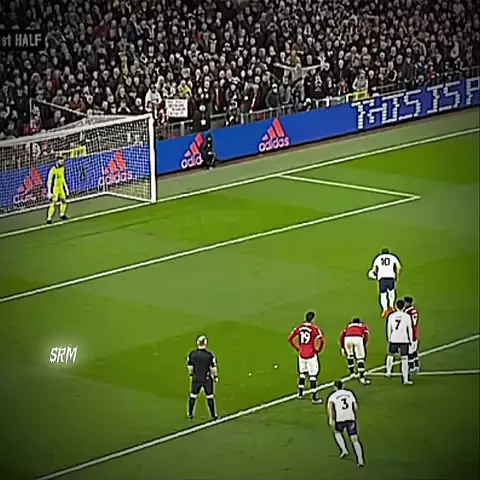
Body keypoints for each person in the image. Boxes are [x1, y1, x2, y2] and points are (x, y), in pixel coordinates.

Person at [288, 311, 325, 404]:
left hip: (302, 354)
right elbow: (321, 339)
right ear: (313, 319)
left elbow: (290, 338)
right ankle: (314, 397)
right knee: (313, 376)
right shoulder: (315, 328)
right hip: (311, 354)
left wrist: (297, 347)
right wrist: (318, 350)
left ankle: (300, 393)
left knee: (302, 374)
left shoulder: (300, 327)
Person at [327, 380, 365, 467]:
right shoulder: (349, 393)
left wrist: (331, 419)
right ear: (343, 386)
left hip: (340, 418)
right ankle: (360, 460)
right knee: (355, 439)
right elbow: (355, 406)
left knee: (337, 432)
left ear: (335, 387)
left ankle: (344, 449)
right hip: (350, 418)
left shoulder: (333, 396)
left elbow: (330, 407)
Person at [187, 335, 218, 420]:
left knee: (193, 395)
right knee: (210, 396)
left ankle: (190, 414)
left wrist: (191, 375)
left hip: (196, 378)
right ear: (205, 343)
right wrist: (215, 376)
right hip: (206, 378)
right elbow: (213, 368)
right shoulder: (209, 355)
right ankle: (213, 415)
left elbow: (190, 367)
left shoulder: (192, 354)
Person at [385, 299, 413, 385]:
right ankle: (405, 379)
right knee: (404, 359)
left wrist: (389, 338)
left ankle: (388, 372)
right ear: (404, 307)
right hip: (404, 339)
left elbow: (389, 328)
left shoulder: (391, 316)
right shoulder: (407, 316)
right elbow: (410, 329)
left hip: (394, 338)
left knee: (390, 355)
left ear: (396, 306)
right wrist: (411, 339)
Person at [368, 247, 402, 317]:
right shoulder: (393, 257)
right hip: (391, 277)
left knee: (383, 295)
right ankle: (392, 306)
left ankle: (385, 310)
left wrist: (376, 276)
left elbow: (374, 269)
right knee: (392, 293)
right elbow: (398, 267)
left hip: (382, 278)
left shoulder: (378, 258)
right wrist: (397, 276)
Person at [340, 318, 371, 385]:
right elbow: (366, 335)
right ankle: (362, 378)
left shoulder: (349, 326)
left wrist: (342, 347)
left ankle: (352, 374)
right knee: (360, 359)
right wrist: (364, 345)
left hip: (347, 339)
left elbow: (342, 336)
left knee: (350, 356)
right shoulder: (363, 326)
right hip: (358, 338)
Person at [46, 156, 69, 224]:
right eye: (61, 161)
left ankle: (62, 214)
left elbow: (63, 179)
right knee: (54, 203)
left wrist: (66, 189)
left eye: (63, 161)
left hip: (61, 188)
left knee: (64, 201)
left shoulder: (62, 168)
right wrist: (49, 192)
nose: (62, 162)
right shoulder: (53, 170)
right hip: (54, 189)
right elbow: (49, 181)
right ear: (57, 161)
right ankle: (49, 218)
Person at [404, 295, 420, 373]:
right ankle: (416, 365)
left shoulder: (407, 312)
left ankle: (411, 367)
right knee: (414, 350)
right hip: (416, 333)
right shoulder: (415, 310)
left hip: (410, 333)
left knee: (410, 352)